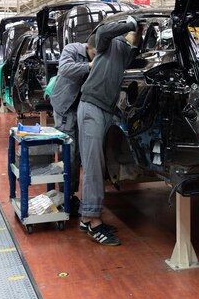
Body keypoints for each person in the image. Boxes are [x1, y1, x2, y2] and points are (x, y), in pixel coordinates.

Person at [77, 16, 145, 246]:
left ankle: (87, 216)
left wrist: (140, 30)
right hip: (92, 106)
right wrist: (131, 22)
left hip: (106, 109)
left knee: (100, 164)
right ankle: (92, 220)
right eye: (132, 30)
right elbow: (104, 31)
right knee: (93, 165)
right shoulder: (110, 42)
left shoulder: (129, 51)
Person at [50, 34, 97, 216]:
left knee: (77, 154)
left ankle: (70, 195)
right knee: (68, 152)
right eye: (95, 54)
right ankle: (64, 196)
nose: (96, 58)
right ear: (89, 47)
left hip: (81, 110)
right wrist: (89, 66)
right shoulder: (72, 49)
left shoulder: (96, 56)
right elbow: (65, 68)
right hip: (65, 107)